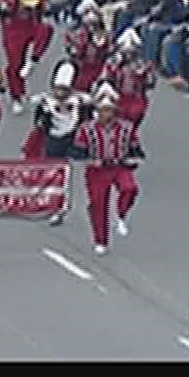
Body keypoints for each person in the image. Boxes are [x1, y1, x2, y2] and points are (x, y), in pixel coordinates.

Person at [75, 84, 143, 255]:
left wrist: (132, 160)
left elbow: (136, 149)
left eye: (110, 110)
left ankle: (121, 214)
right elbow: (78, 153)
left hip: (119, 166)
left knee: (130, 188)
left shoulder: (126, 127)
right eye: (103, 110)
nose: (107, 114)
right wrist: (92, 161)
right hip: (97, 170)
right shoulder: (86, 129)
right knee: (98, 203)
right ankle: (100, 240)